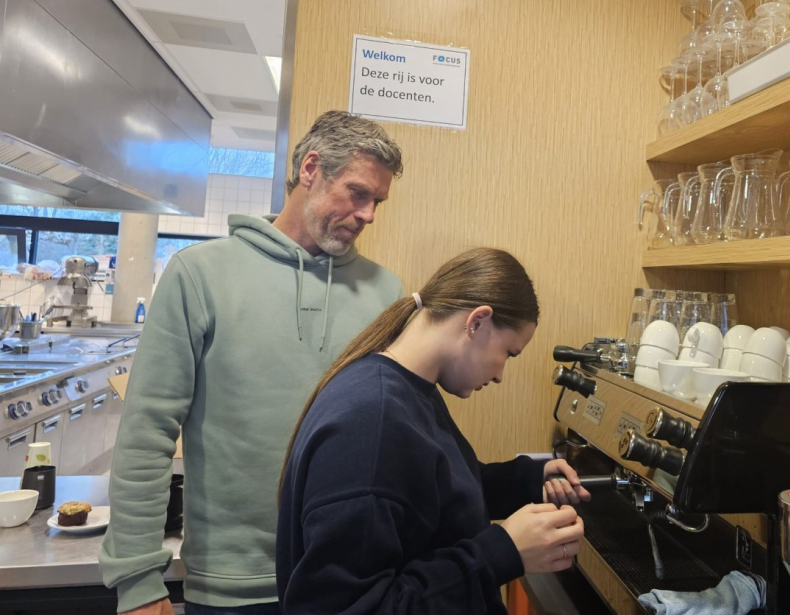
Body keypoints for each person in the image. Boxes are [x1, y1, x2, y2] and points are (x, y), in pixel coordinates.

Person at [100, 111, 405, 615]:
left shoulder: (386, 292)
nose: (369, 214)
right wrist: (137, 579)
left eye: (378, 201)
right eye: (358, 193)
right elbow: (147, 431)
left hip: (353, 582)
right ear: (311, 169)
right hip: (232, 588)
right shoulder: (198, 275)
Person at [277, 247, 590, 614]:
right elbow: (349, 607)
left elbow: (432, 494)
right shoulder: (371, 422)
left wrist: (525, 480)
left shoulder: (408, 389)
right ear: (477, 322)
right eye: (509, 353)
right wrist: (502, 552)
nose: (500, 376)